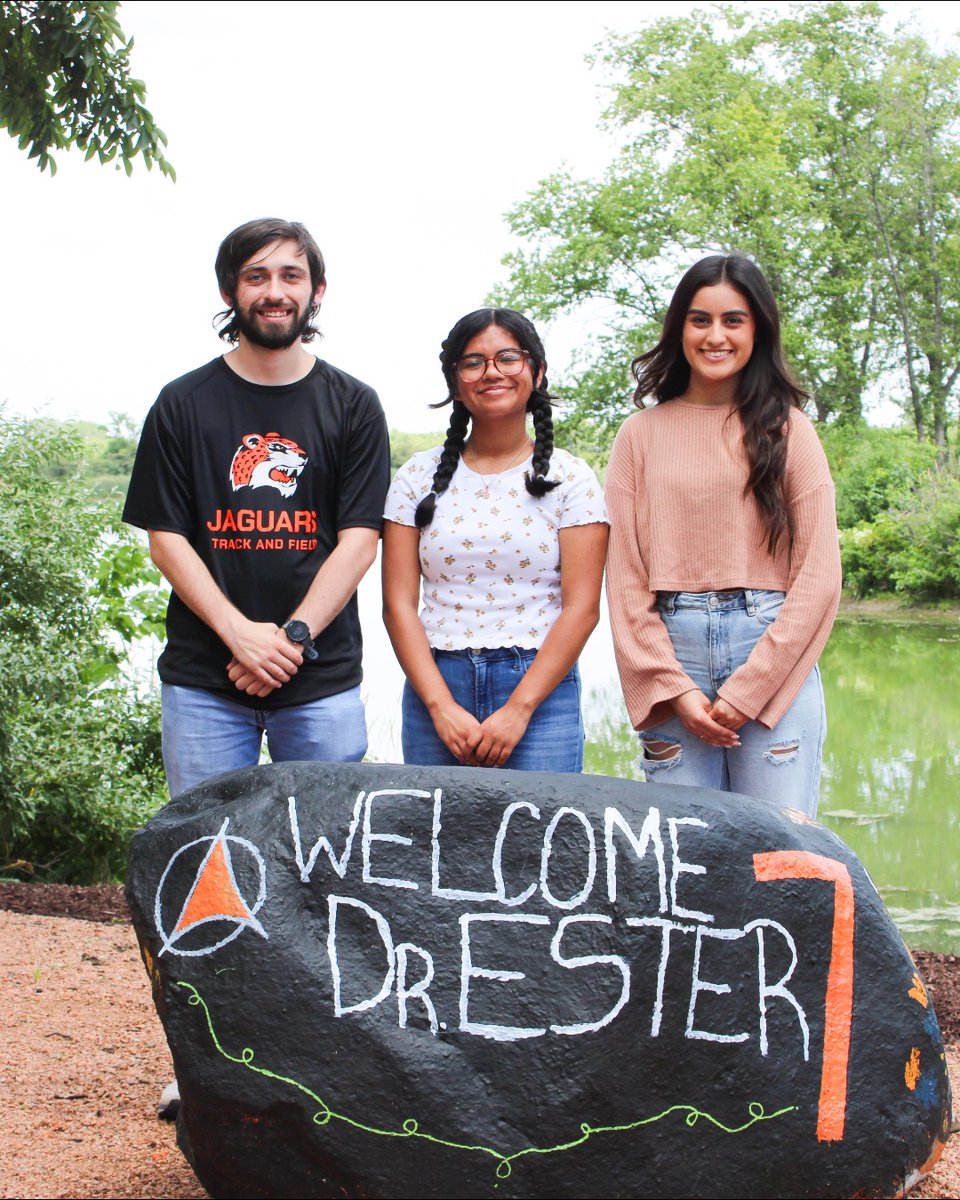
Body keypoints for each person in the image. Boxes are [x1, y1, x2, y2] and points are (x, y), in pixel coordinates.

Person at [123, 218, 391, 798]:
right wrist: (238, 634)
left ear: (317, 290)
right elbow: (166, 540)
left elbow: (360, 540)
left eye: (291, 275)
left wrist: (291, 639)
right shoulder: (181, 404)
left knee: (328, 857)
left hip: (320, 677)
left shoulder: (354, 405)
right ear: (229, 291)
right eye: (256, 276)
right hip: (204, 680)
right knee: (205, 858)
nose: (275, 291)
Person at [605, 255, 842, 816]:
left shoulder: (789, 428)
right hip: (671, 658)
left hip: (772, 651)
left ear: (757, 329)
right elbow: (625, 581)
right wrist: (675, 690)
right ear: (678, 329)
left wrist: (748, 691)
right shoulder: (639, 435)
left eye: (733, 320)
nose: (715, 336)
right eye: (699, 319)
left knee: (781, 861)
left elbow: (819, 577)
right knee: (681, 870)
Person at [382, 308, 608, 772]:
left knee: (544, 842)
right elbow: (397, 605)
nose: (491, 373)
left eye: (508, 358)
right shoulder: (415, 478)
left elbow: (582, 608)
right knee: (435, 840)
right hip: (437, 685)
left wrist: (519, 709)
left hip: (540, 691)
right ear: (455, 381)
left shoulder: (572, 478)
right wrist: (440, 706)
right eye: (473, 362)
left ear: (536, 372)